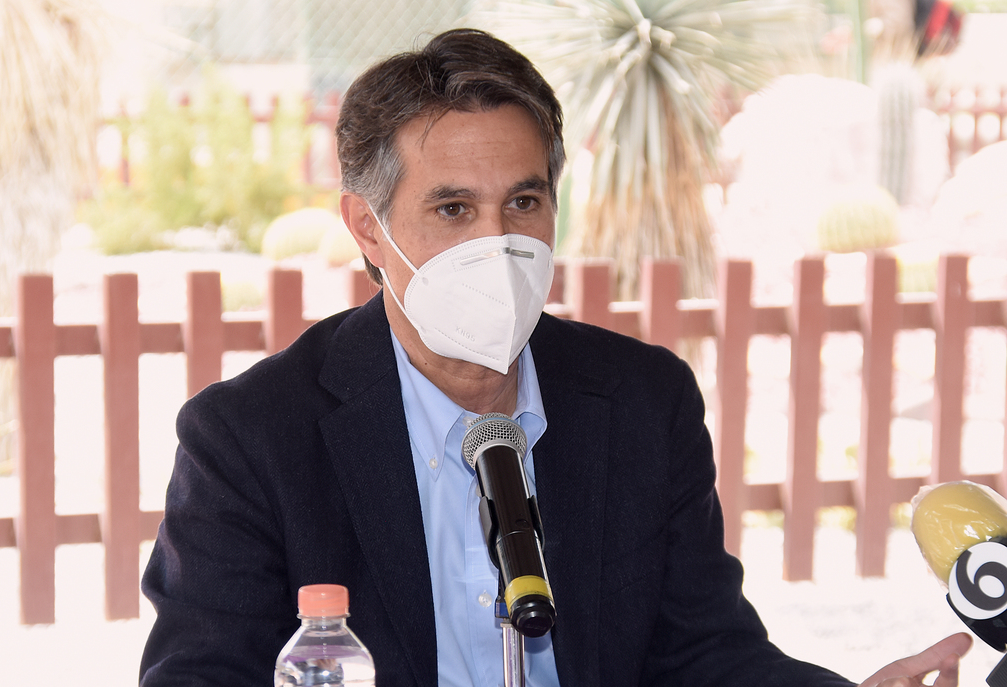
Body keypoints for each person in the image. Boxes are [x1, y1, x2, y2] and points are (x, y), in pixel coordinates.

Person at [139, 28, 971, 687]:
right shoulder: (250, 436)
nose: (497, 242)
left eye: (524, 201)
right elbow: (200, 673)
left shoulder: (643, 400)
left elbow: (703, 652)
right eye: (454, 209)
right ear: (368, 228)